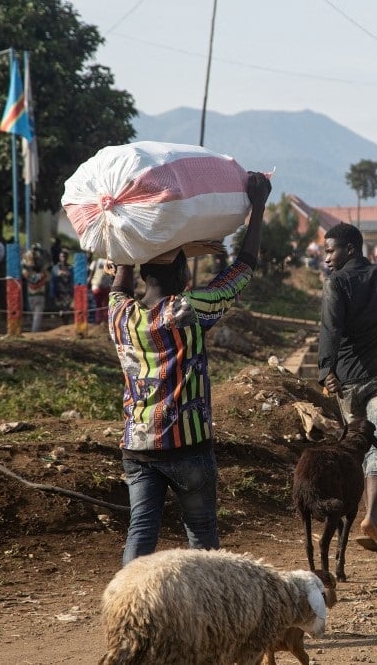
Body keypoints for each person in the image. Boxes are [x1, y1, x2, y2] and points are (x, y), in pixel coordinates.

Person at [108, 171, 271, 565]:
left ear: (144, 274)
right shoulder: (190, 310)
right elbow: (243, 269)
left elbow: (119, 281)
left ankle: (129, 608)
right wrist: (259, 204)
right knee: (201, 535)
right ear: (182, 275)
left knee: (141, 531)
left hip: (138, 445)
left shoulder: (119, 316)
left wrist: (125, 230)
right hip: (188, 446)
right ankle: (212, 614)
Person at [317, 222, 377, 552]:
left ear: (349, 249)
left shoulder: (338, 283)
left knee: (356, 446)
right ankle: (372, 516)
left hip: (347, 379)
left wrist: (325, 371)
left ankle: (358, 516)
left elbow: (331, 329)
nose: (326, 257)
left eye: (330, 250)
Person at [21, 244, 49, 333]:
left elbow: (24, 268)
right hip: (39, 294)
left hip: (31, 294)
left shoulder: (26, 272)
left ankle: (34, 330)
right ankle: (35, 332)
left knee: (35, 315)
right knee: (37, 316)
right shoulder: (43, 273)